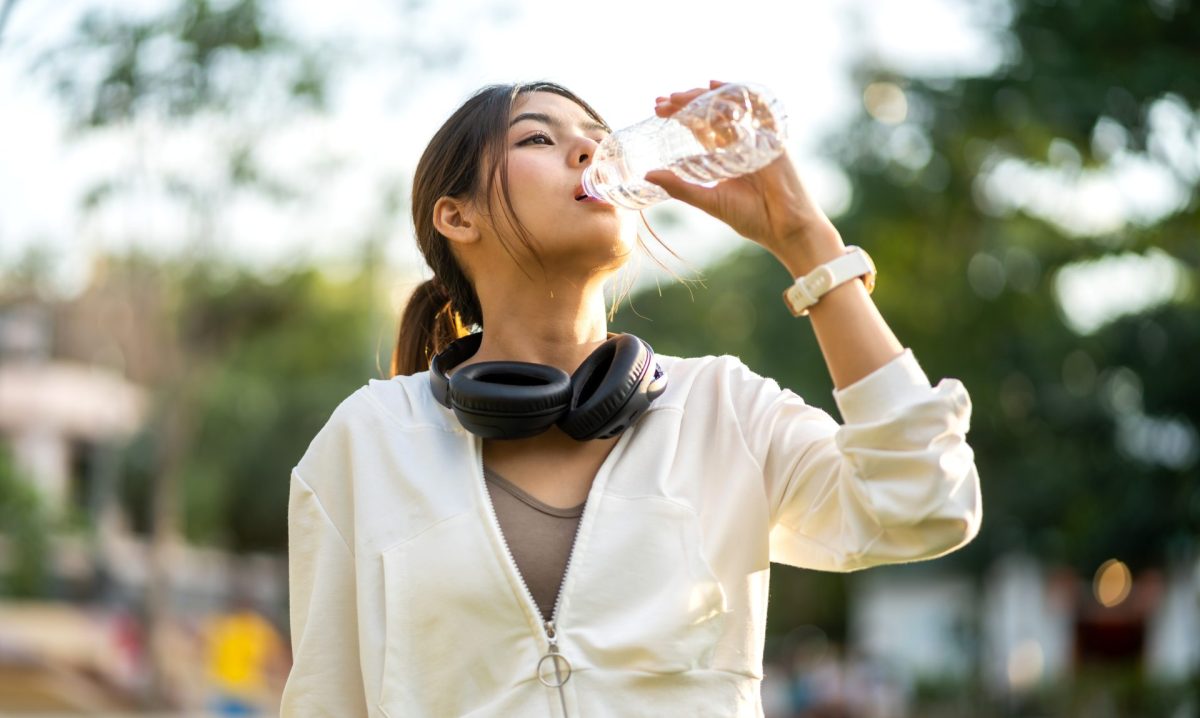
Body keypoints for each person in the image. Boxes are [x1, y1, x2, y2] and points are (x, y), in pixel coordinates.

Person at [279, 80, 982, 717]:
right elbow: (325, 703)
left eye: (596, 135)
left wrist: (805, 240)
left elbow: (925, 500)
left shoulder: (724, 407)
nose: (589, 147)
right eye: (538, 137)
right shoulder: (365, 442)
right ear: (457, 218)